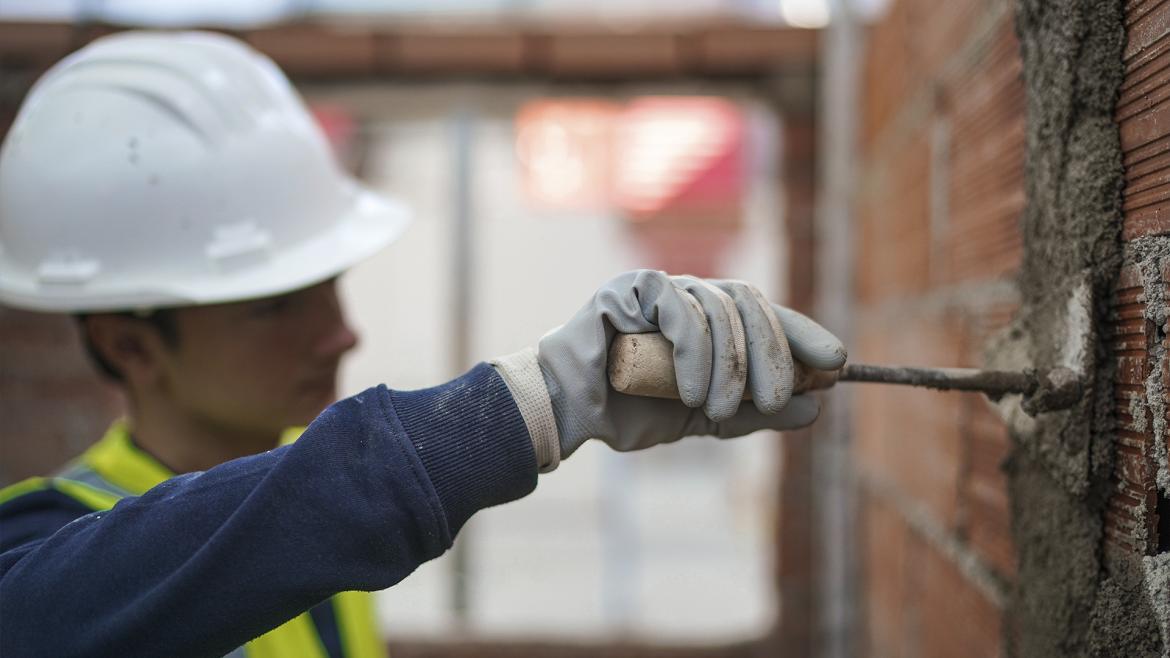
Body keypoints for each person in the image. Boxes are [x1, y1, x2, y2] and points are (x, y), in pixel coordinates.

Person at [0, 31, 846, 658]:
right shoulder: (56, 557)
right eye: (275, 307)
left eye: (333, 284)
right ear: (130, 345)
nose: (341, 331)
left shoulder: (314, 520)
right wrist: (535, 403)